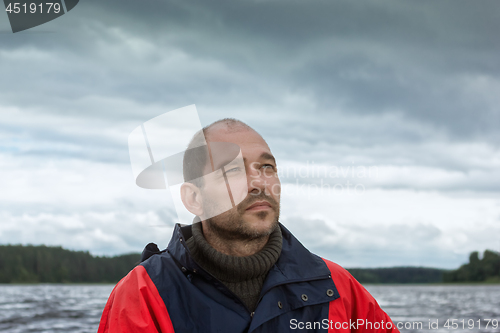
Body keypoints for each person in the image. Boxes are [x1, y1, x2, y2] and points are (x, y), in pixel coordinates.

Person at [98, 119, 399, 332]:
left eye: (266, 167)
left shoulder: (337, 287)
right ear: (194, 198)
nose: (258, 183)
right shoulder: (144, 294)